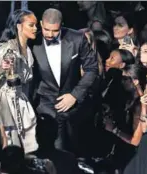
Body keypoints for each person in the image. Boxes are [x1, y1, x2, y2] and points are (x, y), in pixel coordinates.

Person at [32, 8, 98, 152]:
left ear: (62, 25)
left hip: (72, 106)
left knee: (73, 150)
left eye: (55, 31)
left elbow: (92, 69)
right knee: (51, 149)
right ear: (41, 24)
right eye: (46, 30)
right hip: (45, 103)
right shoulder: (33, 42)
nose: (50, 34)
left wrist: (75, 95)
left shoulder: (77, 38)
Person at [0, 9, 38, 153]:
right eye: (31, 25)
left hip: (18, 98)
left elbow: (25, 77)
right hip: (1, 101)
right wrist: (1, 68)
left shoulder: (27, 50)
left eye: (36, 25)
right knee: (5, 139)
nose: (35, 29)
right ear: (19, 26)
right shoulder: (5, 48)